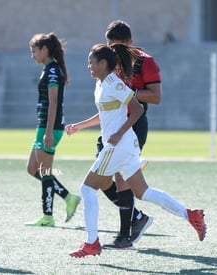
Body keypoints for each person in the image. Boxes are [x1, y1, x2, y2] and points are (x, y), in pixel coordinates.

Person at [66, 43, 206, 258]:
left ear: (103, 63)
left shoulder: (114, 83)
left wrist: (119, 133)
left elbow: (138, 109)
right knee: (143, 192)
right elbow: (104, 115)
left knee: (87, 189)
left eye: (91, 62)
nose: (88, 66)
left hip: (118, 147)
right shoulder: (101, 84)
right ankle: (191, 215)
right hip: (125, 147)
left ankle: (91, 243)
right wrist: (79, 126)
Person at [98, 20, 162, 249]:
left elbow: (155, 96)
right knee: (101, 179)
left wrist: (128, 93)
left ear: (130, 43)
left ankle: (124, 236)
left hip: (133, 124)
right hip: (110, 125)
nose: (115, 49)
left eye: (119, 45)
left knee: (121, 177)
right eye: (110, 44)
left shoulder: (146, 61)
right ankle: (137, 218)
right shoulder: (108, 60)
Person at [24, 33, 81, 227]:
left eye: (34, 50)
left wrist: (48, 132)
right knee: (32, 169)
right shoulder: (47, 69)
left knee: (44, 171)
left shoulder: (53, 70)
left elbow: (54, 101)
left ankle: (47, 217)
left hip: (50, 127)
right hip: (44, 126)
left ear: (44, 50)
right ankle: (68, 197)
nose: (32, 55)